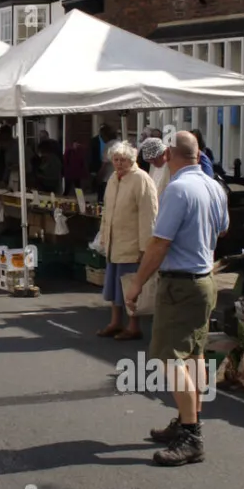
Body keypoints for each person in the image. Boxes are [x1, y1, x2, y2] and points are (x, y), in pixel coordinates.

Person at [126, 131, 228, 467]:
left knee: (171, 359)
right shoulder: (214, 187)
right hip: (204, 280)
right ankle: (189, 420)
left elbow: (159, 243)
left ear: (169, 154)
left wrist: (137, 282)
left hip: (181, 283)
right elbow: (223, 228)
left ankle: (191, 434)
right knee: (194, 355)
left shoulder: (178, 189)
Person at [96, 141, 159, 342]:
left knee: (131, 286)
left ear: (132, 160)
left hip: (132, 243)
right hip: (116, 243)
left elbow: (149, 215)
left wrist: (145, 246)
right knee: (115, 286)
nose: (119, 164)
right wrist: (104, 236)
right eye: (116, 160)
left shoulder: (141, 179)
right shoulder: (113, 179)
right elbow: (107, 212)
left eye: (123, 160)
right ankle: (115, 322)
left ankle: (133, 327)